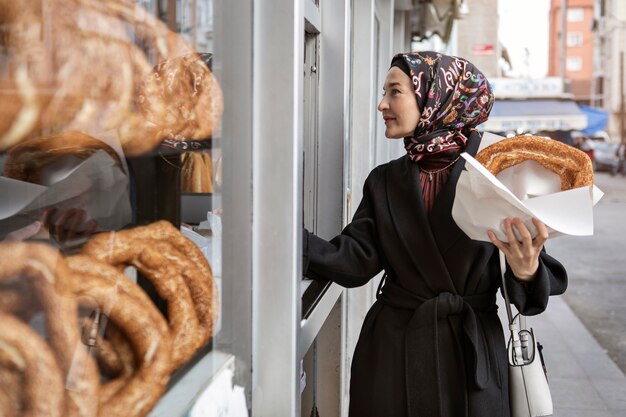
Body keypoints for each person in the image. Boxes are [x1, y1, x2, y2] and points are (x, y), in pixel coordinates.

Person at [302, 51, 567, 417]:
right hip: (393, 352)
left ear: (435, 99)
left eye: (395, 92)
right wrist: (285, 238)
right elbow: (354, 262)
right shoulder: (385, 181)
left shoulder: (499, 173)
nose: (382, 104)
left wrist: (525, 269)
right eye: (385, 92)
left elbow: (533, 284)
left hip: (470, 356)